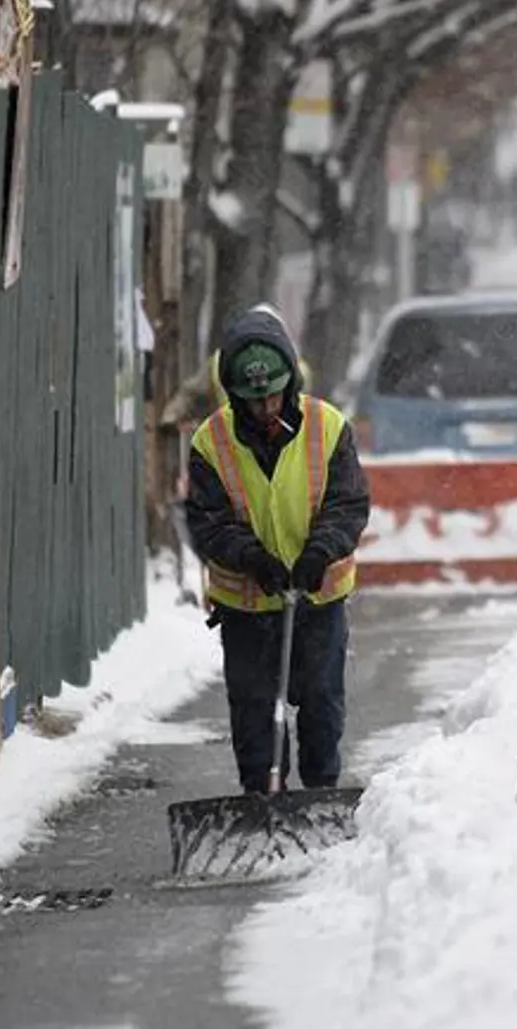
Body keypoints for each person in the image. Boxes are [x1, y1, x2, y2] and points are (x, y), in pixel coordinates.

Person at [183, 305, 370, 793]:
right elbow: (208, 521)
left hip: (317, 597)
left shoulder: (328, 428)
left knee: (322, 701)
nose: (266, 408)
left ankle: (321, 792)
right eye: (253, 399)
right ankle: (262, 795)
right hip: (247, 604)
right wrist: (252, 559)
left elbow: (347, 503)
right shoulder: (211, 442)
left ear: (291, 380)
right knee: (253, 707)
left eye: (273, 395)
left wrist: (318, 552)